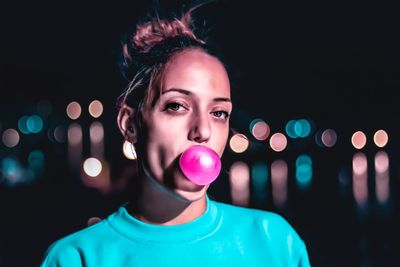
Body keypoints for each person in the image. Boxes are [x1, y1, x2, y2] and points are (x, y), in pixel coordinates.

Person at [40, 5, 311, 267]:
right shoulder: (75, 258)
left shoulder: (275, 241)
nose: (203, 131)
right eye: (176, 106)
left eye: (218, 113)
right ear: (130, 124)